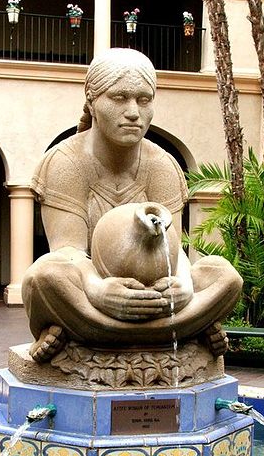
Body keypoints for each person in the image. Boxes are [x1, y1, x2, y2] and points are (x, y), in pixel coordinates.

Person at [22, 48, 242, 363]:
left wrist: (183, 284)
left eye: (143, 99)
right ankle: (186, 328)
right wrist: (98, 289)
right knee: (43, 276)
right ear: (92, 100)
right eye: (119, 98)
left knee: (226, 278)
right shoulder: (65, 162)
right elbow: (67, 251)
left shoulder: (162, 164)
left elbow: (173, 249)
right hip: (93, 290)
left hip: (155, 290)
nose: (133, 112)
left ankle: (85, 332)